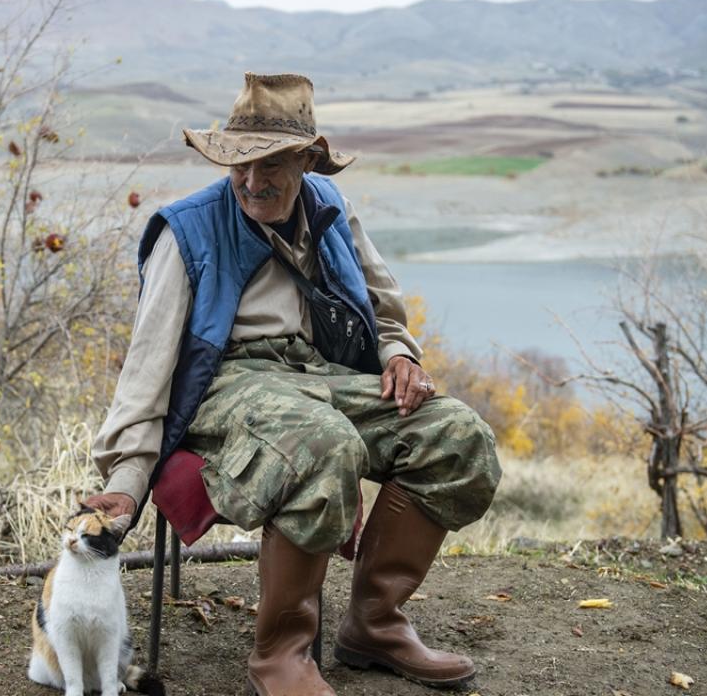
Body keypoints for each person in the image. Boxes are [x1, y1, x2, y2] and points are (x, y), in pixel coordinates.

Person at [83, 72, 501, 695]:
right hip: (229, 384)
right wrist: (124, 479)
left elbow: (383, 308)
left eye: (271, 164)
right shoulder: (187, 231)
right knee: (321, 442)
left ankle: (374, 624)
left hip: (320, 376)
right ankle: (281, 654)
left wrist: (398, 354)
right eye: (239, 165)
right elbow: (147, 370)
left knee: (457, 436)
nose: (253, 182)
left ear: (307, 160)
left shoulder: (333, 209)